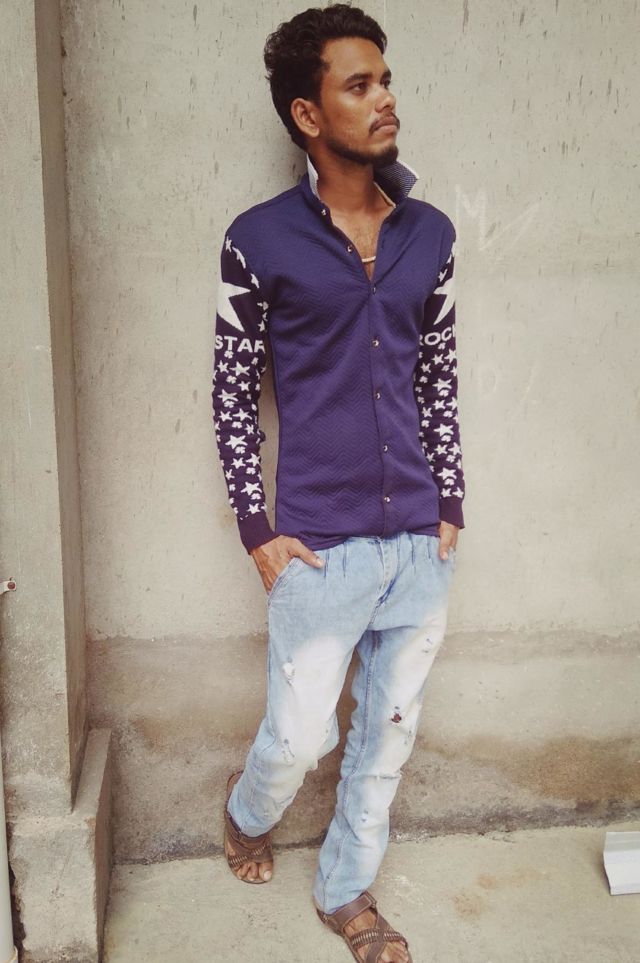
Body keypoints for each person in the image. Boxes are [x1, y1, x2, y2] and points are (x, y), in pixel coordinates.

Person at [211, 5, 465, 961]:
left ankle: (347, 892)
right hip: (317, 544)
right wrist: (258, 529)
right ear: (309, 115)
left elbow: (437, 374)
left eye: (385, 79)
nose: (385, 98)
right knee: (297, 739)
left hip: (418, 543)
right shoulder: (257, 240)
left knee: (388, 735)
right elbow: (232, 392)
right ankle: (246, 813)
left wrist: (450, 504)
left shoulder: (430, 234)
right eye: (359, 85)